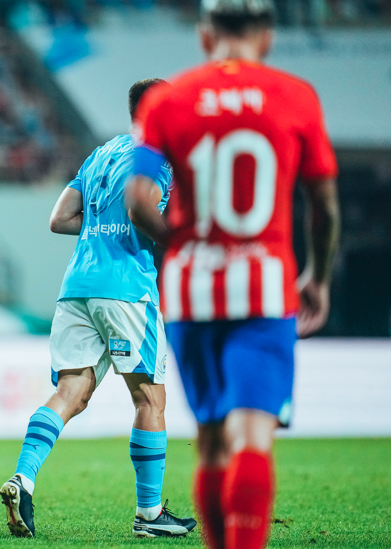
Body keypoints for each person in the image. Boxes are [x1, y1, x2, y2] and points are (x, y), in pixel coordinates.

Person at [125, 0, 340, 547]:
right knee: (252, 439)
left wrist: (186, 244)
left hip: (193, 292)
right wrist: (317, 273)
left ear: (204, 35)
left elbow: (138, 202)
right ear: (267, 37)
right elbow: (324, 205)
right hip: (265, 290)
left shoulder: (166, 101)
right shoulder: (296, 96)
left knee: (212, 440)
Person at [0, 79, 197, 539]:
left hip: (77, 288)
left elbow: (60, 219)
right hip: (126, 290)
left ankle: (23, 479)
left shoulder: (103, 153)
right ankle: (149, 514)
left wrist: (102, 228)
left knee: (73, 390)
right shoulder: (156, 155)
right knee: (150, 397)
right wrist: (179, 241)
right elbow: (139, 207)